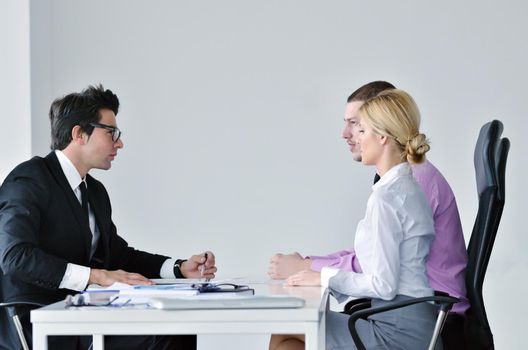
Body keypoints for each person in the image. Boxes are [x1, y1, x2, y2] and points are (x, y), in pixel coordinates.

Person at [0, 85, 216, 350]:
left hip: (83, 316)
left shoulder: (94, 192)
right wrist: (96, 276)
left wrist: (178, 268)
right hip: (39, 323)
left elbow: (118, 256)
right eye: (111, 132)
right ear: (78, 133)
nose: (120, 143)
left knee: (179, 330)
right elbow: (14, 257)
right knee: (167, 335)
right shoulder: (29, 180)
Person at [268, 81, 469, 347]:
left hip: (398, 330)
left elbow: (382, 283)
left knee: (289, 331)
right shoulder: (406, 184)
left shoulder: (388, 196)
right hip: (409, 320)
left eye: (361, 128)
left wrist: (322, 276)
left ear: (382, 136)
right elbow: (376, 257)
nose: (355, 137)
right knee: (289, 331)